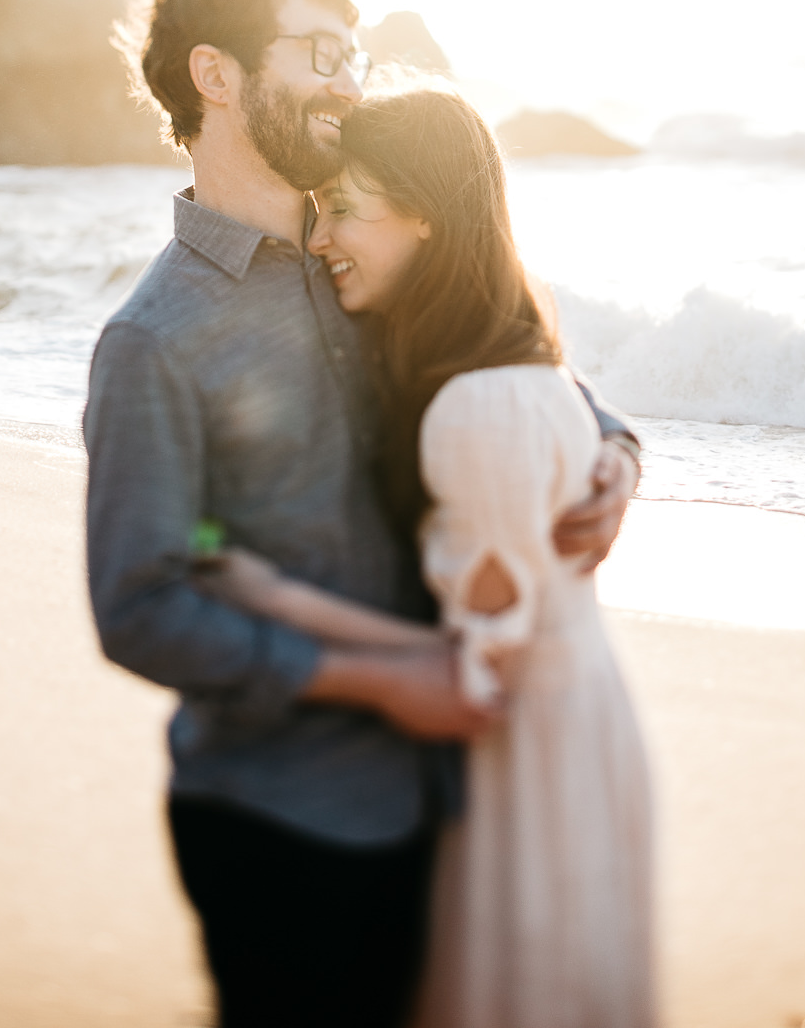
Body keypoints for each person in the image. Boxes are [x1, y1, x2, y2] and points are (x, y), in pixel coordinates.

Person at [83, 0, 640, 1028]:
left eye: (355, 54)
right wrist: (378, 682)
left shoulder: (367, 254)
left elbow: (501, 340)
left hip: (447, 798)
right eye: (319, 50)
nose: (349, 77)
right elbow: (143, 605)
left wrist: (614, 451)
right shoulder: (154, 341)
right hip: (283, 821)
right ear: (218, 76)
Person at [194, 85, 656, 1028]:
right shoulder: (481, 353)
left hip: (522, 749)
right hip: (557, 721)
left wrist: (257, 590)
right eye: (321, 213)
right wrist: (614, 444)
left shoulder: (473, 407)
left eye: (348, 213)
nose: (322, 243)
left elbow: (474, 663)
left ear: (430, 221)